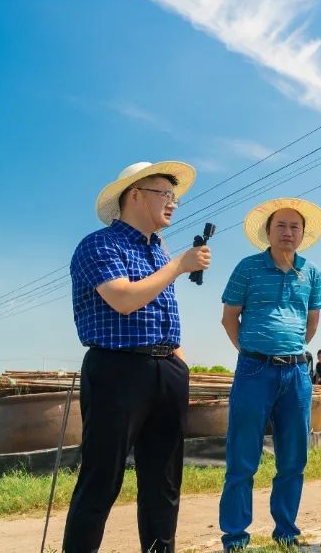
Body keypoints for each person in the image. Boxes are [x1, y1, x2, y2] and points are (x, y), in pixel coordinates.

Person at [65, 161, 211, 553]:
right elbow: (124, 298)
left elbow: (165, 317)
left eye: (174, 197)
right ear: (135, 195)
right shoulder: (99, 244)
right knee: (102, 478)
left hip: (165, 369)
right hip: (117, 369)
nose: (173, 204)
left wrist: (181, 367)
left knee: (163, 480)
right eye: (165, 194)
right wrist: (180, 265)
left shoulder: (158, 252)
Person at [218, 198, 321, 551]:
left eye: (295, 227)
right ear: (267, 232)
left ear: (303, 235)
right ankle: (235, 538)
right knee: (242, 458)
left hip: (295, 373)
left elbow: (312, 323)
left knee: (294, 458)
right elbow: (228, 318)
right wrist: (252, 352)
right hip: (253, 370)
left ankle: (287, 534)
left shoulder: (311, 272)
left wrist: (287, 349)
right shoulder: (247, 268)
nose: (288, 232)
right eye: (281, 225)